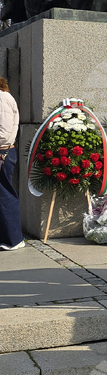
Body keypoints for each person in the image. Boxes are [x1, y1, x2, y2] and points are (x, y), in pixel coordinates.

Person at [0, 76, 22, 251]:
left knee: (5, 195)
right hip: (4, 151)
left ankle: (13, 239)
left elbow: (4, 132)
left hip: (2, 151)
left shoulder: (2, 98)